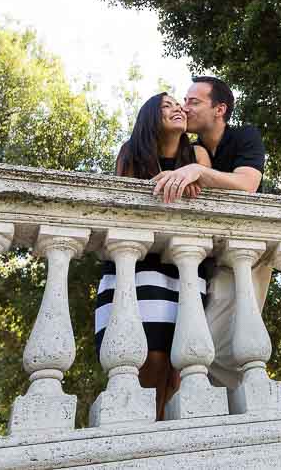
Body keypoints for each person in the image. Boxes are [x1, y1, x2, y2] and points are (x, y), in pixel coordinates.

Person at [93, 92, 211, 420]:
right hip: (139, 263)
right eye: (166, 105)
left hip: (183, 265)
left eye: (179, 104)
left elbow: (205, 204)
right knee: (147, 355)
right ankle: (142, 429)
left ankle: (164, 432)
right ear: (150, 117)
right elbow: (125, 207)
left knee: (180, 363)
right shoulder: (131, 153)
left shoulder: (197, 154)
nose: (177, 109)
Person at [153, 76, 272, 389]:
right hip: (204, 255)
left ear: (220, 109)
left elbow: (248, 185)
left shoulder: (245, 136)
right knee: (197, 338)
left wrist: (199, 172)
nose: (185, 107)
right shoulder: (191, 149)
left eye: (194, 102)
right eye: (185, 101)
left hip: (246, 251)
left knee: (224, 344)